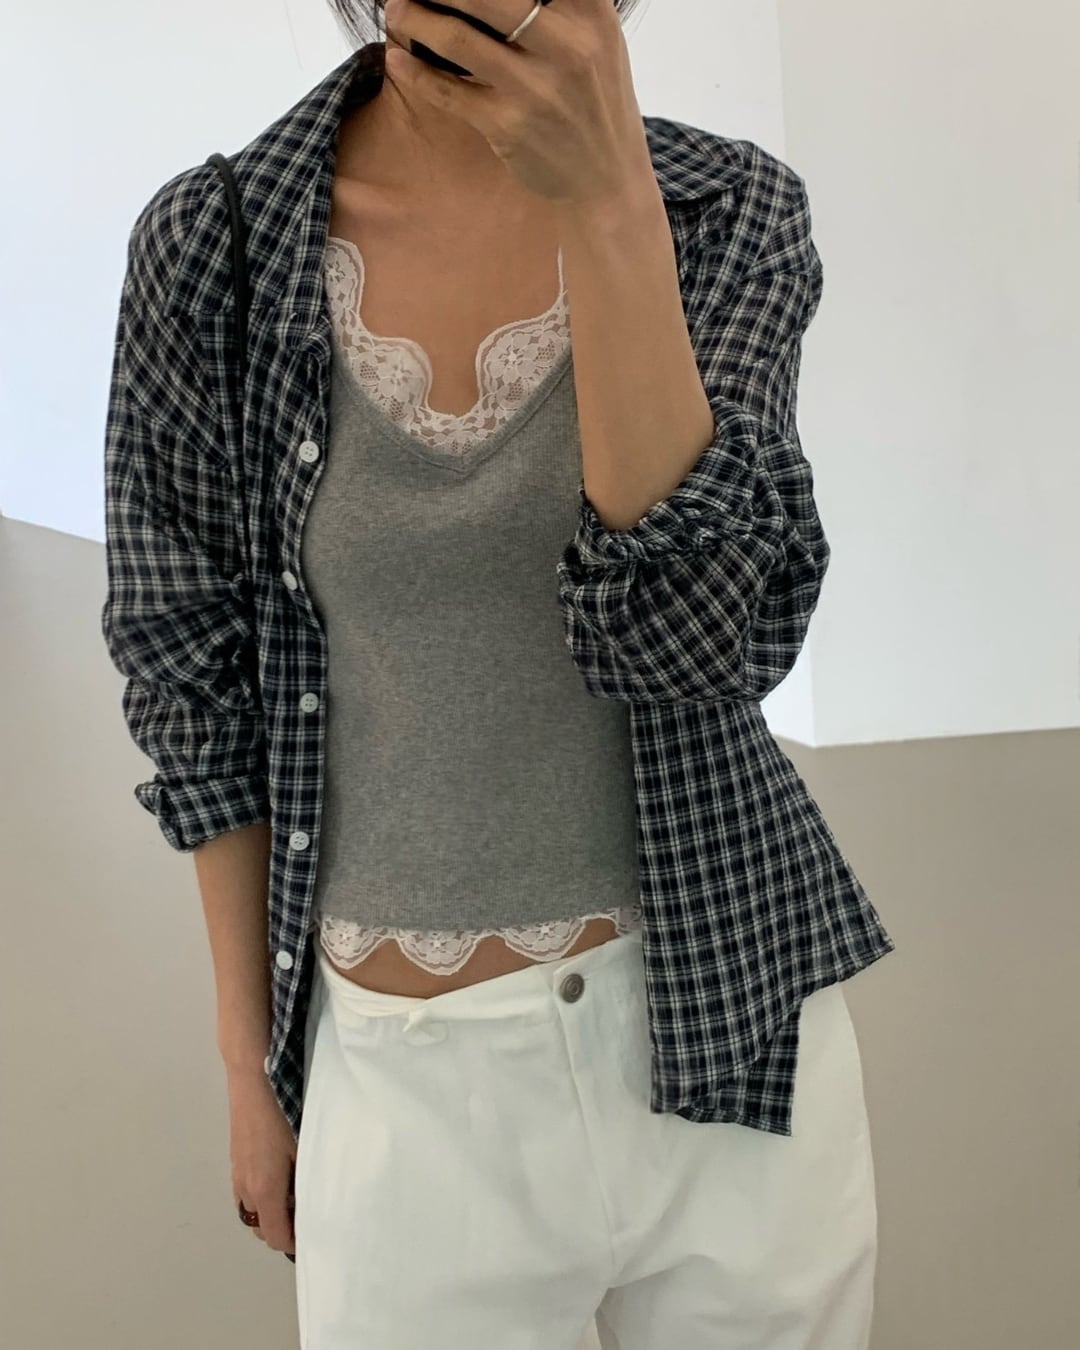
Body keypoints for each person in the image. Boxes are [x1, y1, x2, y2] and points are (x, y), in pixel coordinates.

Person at [100, 2, 896, 1347]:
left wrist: (610, 203)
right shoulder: (214, 248)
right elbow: (192, 681)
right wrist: (252, 1067)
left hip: (731, 1026)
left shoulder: (726, 213)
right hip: (405, 1084)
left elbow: (700, 645)